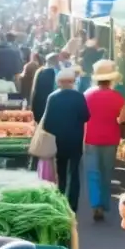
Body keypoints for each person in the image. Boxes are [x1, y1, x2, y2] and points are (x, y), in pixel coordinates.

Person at [83, 60, 125, 222]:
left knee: (93, 172)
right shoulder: (118, 97)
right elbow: (122, 119)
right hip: (110, 138)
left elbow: (82, 117)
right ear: (111, 80)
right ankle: (105, 203)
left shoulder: (87, 95)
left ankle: (96, 205)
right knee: (106, 172)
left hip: (91, 138)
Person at [42, 68, 89, 211]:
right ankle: (73, 205)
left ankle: (61, 200)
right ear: (73, 82)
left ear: (59, 82)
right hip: (75, 139)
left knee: (61, 173)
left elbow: (47, 123)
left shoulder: (52, 97)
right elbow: (86, 116)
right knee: (74, 173)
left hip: (59, 141)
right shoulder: (79, 97)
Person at [30, 53, 59, 122]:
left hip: (38, 104)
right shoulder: (55, 72)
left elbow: (33, 90)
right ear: (56, 61)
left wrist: (31, 105)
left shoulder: (40, 71)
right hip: (49, 106)